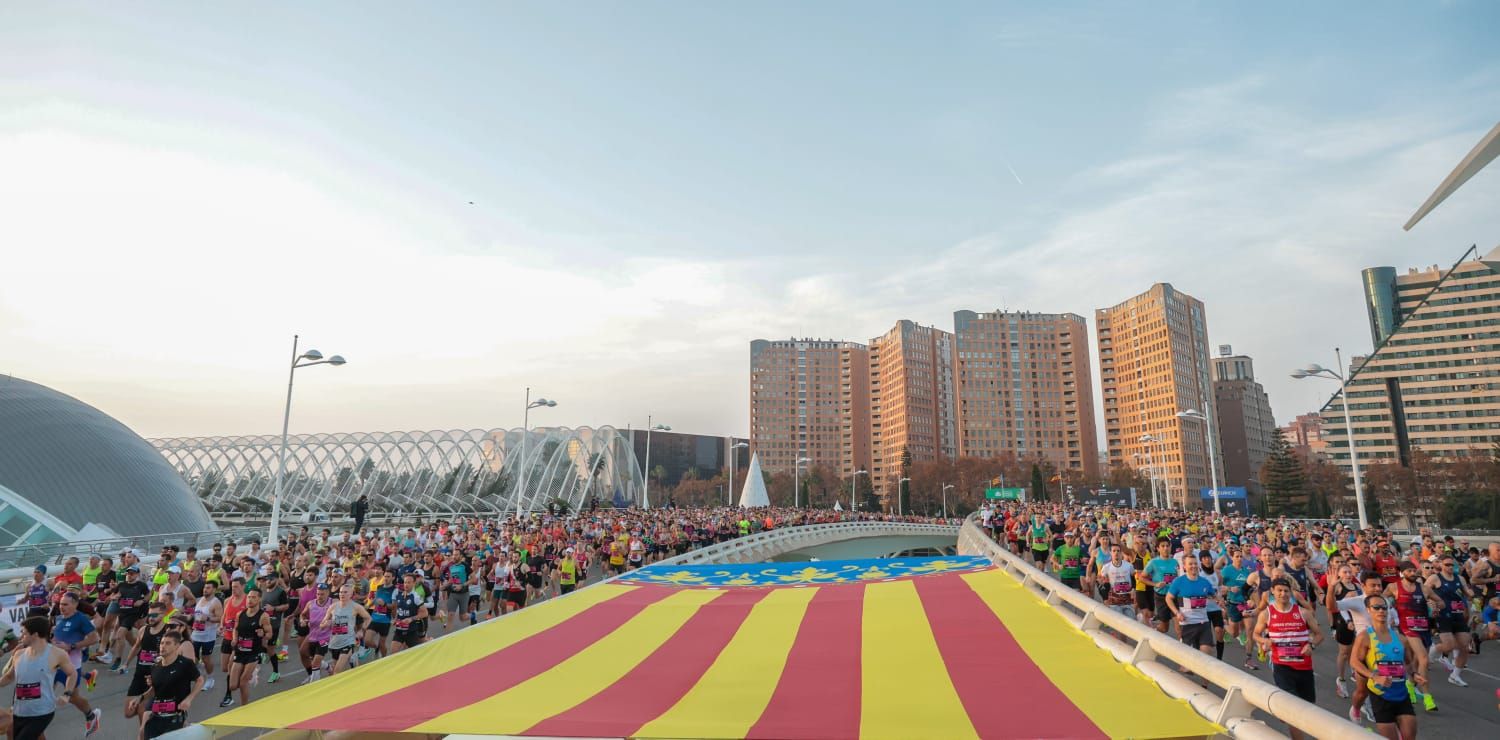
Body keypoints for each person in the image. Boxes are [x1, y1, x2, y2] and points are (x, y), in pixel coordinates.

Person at [1254, 577, 1323, 740]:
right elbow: (1255, 634)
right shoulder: (1267, 614)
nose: (1283, 594)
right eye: (1279, 590)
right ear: (1272, 592)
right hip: (1282, 667)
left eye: (1286, 591)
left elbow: (1319, 635)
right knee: (1293, 709)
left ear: (1290, 592)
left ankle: (1282, 710)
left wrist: (1311, 645)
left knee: (1308, 707)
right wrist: (1265, 640)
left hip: (1304, 667)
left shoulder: (1303, 613)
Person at [1351, 594, 1425, 740]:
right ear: (1368, 610)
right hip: (1380, 694)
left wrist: (1415, 674)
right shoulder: (1365, 637)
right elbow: (1354, 662)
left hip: (1401, 693)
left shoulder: (1400, 638)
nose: (1381, 611)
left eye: (1384, 607)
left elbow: (1408, 663)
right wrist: (1374, 676)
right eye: (1376, 607)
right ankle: (1356, 710)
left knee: (1410, 736)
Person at [0, 616, 79, 740]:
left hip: (42, 711)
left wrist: (67, 694)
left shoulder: (57, 653)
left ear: (35, 634)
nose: (21, 636)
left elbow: (72, 674)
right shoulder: (19, 654)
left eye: (24, 633)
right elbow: (9, 677)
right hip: (19, 710)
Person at [50, 592, 103, 735]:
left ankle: (92, 716)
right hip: (54, 662)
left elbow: (94, 638)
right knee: (46, 689)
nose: (62, 607)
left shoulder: (80, 619)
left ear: (75, 604)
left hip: (71, 665)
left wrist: (71, 646)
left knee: (73, 698)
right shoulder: (59, 617)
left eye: (66, 604)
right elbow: (57, 636)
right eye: (61, 604)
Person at [138, 630, 202, 738]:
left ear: (177, 646)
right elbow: (154, 691)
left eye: (168, 643)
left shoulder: (185, 664)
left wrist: (189, 699)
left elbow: (200, 681)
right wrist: (139, 698)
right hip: (156, 718)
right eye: (162, 643)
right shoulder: (155, 666)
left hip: (174, 719)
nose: (163, 646)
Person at [1425, 552, 1472, 686]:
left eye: (1453, 564)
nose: (1451, 567)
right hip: (1443, 615)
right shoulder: (1435, 578)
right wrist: (1431, 603)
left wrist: (1472, 595)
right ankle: (1432, 653)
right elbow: (1424, 592)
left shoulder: (1460, 579)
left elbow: (1467, 592)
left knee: (1464, 646)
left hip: (1458, 614)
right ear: (1441, 565)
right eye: (1447, 565)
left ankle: (1455, 675)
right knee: (1449, 645)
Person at [124, 601, 171, 726]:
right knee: (128, 712)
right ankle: (158, 717)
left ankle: (146, 733)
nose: (150, 618)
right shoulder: (144, 629)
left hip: (155, 677)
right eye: (149, 615)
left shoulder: (167, 632)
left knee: (142, 710)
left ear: (163, 614)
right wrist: (126, 663)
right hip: (139, 675)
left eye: (154, 615)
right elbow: (136, 647)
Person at [223, 587, 271, 708]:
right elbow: (235, 629)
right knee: (233, 686)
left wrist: (263, 635)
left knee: (243, 681)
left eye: (253, 597)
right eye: (249, 597)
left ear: (259, 599)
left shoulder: (263, 616)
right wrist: (234, 639)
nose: (250, 600)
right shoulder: (240, 614)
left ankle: (244, 707)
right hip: (240, 651)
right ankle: (252, 676)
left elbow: (269, 634)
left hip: (253, 653)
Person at [1164, 554, 1217, 659]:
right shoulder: (1178, 582)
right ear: (1184, 566)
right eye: (1190, 564)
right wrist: (1177, 613)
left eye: (1195, 563)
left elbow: (1215, 596)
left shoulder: (1205, 582)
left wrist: (1220, 602)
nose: (1193, 566)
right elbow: (1168, 598)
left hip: (1203, 622)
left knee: (1206, 654)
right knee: (1187, 663)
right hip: (1188, 623)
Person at [321, 584, 371, 676]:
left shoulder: (356, 607)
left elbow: (368, 618)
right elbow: (323, 623)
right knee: (334, 672)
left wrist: (361, 630)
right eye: (340, 592)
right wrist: (325, 624)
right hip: (335, 643)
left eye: (345, 592)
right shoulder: (333, 607)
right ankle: (355, 665)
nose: (342, 594)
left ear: (351, 594)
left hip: (348, 642)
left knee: (336, 672)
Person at [188, 580, 223, 690]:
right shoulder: (200, 600)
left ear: (214, 589)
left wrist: (207, 618)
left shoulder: (216, 602)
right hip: (196, 634)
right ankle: (200, 673)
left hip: (208, 636)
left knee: (206, 658)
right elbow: (197, 615)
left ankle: (210, 679)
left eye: (208, 588)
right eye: (204, 587)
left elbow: (220, 618)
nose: (205, 590)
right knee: (192, 657)